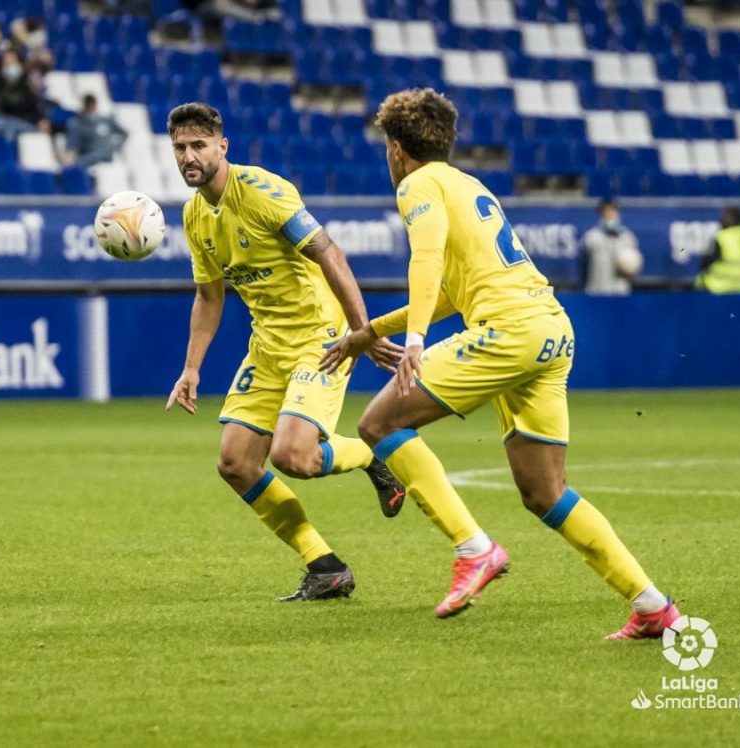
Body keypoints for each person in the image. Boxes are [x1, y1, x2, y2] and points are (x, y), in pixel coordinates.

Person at [320, 88, 679, 636]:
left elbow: (427, 259)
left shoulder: (418, 183)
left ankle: (474, 549)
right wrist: (367, 333)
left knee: (378, 423)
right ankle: (654, 607)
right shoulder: (467, 184)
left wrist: (414, 340)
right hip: (552, 330)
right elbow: (451, 295)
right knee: (544, 493)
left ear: (395, 147)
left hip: (508, 332)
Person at [165, 102, 406, 602]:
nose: (189, 156)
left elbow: (330, 253)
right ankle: (325, 567)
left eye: (198, 146)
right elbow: (210, 296)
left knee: (293, 456)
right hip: (269, 345)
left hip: (320, 337)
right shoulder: (194, 215)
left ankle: (373, 457)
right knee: (235, 463)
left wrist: (360, 332)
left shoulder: (260, 191)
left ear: (221, 146)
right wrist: (191, 368)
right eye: (180, 148)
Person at [580, 199, 643, 295]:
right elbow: (582, 267)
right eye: (606, 211)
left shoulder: (627, 238)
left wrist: (630, 270)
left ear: (618, 213)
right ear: (600, 214)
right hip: (596, 292)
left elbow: (635, 269)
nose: (609, 215)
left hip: (621, 293)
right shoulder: (590, 237)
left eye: (613, 211)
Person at [695, 205, 740, 294]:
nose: (720, 220)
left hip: (718, 288)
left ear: (733, 219)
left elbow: (705, 263)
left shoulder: (722, 238)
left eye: (725, 216)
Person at [63, 94, 128, 169]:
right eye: (88, 104)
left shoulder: (105, 120)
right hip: (89, 156)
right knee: (77, 165)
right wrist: (70, 155)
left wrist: (115, 145)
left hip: (106, 156)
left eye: (92, 104)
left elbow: (124, 133)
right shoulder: (77, 123)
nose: (91, 107)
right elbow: (72, 145)